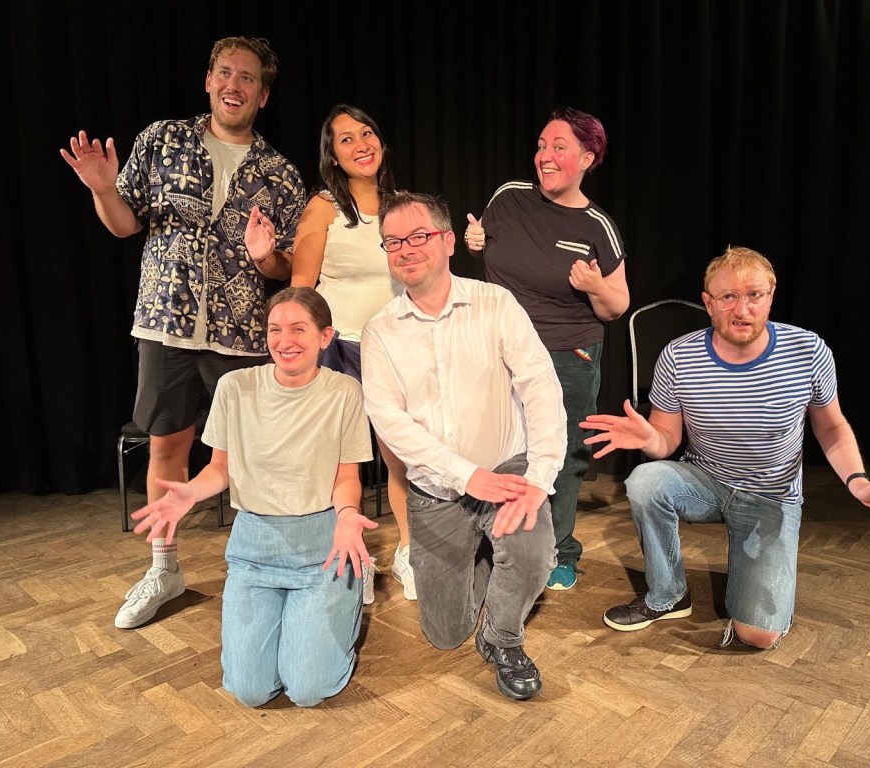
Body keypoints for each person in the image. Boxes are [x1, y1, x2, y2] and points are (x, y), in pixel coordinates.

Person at [580, 246, 870, 650]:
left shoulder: (808, 351)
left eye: (754, 294)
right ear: (708, 303)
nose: (742, 310)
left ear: (770, 296)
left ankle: (753, 587)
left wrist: (858, 483)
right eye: (728, 297)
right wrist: (650, 439)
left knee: (757, 635)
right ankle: (668, 595)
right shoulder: (679, 356)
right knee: (645, 480)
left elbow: (831, 426)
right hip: (705, 481)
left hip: (771, 495)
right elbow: (666, 439)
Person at [60, 37, 306, 629]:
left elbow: (286, 267)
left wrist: (266, 256)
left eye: (247, 78)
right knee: (167, 446)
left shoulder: (279, 173)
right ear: (208, 80)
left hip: (241, 334)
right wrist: (102, 188)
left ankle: (264, 567)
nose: (234, 85)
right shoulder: (163, 140)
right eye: (225, 72)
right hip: (167, 324)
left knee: (252, 454)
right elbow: (124, 225)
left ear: (262, 95)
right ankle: (164, 568)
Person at [361, 191, 567, 700]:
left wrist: (540, 478)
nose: (406, 249)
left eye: (419, 236)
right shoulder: (380, 331)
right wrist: (465, 475)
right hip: (436, 492)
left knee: (534, 550)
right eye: (393, 242)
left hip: (504, 466)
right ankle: (484, 555)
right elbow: (389, 421)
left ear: (449, 241)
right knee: (445, 632)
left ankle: (503, 637)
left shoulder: (496, 303)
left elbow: (540, 386)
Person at [131, 287, 375, 707]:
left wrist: (349, 514)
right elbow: (221, 468)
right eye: (275, 329)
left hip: (322, 551)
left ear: (325, 336)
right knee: (250, 690)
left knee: (308, 689)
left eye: (298, 329)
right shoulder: (235, 387)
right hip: (254, 550)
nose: (285, 340)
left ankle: (348, 588)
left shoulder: (344, 392)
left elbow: (346, 477)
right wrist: (189, 492)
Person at [245, 104, 414, 603]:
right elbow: (301, 285)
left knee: (401, 458)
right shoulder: (323, 207)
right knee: (341, 465)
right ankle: (351, 559)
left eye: (367, 133)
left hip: (395, 348)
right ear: (333, 156)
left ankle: (408, 552)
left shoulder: (403, 206)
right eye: (346, 139)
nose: (361, 144)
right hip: (341, 348)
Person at [464, 106, 629, 592]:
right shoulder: (509, 196)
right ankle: (499, 541)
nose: (545, 156)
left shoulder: (597, 225)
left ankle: (561, 551)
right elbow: (485, 247)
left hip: (566, 352)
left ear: (587, 158)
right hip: (500, 348)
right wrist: (474, 242)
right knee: (500, 444)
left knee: (562, 451)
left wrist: (596, 286)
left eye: (559, 147)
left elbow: (617, 305)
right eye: (541, 146)